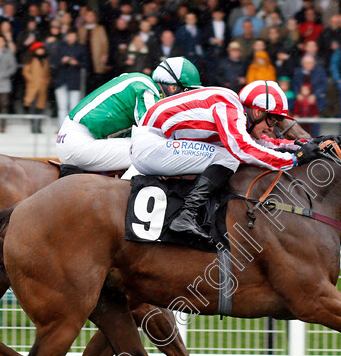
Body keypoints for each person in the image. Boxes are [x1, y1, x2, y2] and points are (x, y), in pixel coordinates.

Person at [130, 80, 323, 241]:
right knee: (228, 156)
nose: (272, 127)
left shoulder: (238, 113)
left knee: (227, 154)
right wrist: (293, 160)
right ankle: (186, 214)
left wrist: (302, 145)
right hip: (151, 144)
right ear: (257, 112)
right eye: (272, 120)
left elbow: (263, 143)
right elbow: (243, 149)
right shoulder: (229, 105)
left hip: (157, 143)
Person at [55, 57, 199, 176]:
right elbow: (153, 134)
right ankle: (122, 200)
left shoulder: (142, 81)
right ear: (173, 87)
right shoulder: (147, 90)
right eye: (187, 92)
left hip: (73, 138)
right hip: (78, 142)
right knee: (148, 153)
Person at [52, 30, 87, 127]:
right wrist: (63, 61)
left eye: (73, 36)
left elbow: (86, 64)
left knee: (74, 107)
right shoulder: (60, 48)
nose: (71, 38)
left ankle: (71, 129)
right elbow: (54, 63)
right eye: (69, 36)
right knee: (62, 107)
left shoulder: (80, 48)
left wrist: (76, 63)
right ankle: (61, 127)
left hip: (75, 81)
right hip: (61, 80)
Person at [22, 41, 51, 134]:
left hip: (42, 88)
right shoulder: (31, 61)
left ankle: (38, 127)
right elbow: (25, 72)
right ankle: (33, 127)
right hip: (33, 87)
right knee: (32, 107)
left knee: (40, 108)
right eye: (39, 49)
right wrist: (33, 80)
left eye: (42, 49)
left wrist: (46, 82)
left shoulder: (45, 61)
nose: (41, 51)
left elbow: (47, 74)